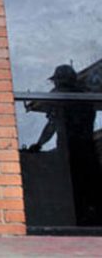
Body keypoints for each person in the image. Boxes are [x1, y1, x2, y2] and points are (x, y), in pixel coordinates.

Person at [28, 64, 102, 225]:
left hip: (69, 150)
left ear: (60, 81)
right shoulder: (85, 96)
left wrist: (39, 144)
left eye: (56, 81)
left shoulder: (60, 96)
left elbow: (52, 125)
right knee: (90, 186)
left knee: (71, 188)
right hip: (87, 148)